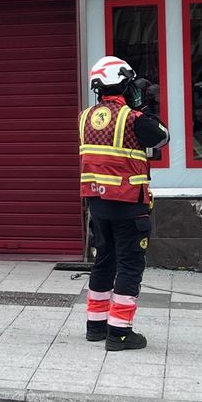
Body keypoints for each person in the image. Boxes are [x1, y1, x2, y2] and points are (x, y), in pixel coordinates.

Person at [80, 57, 170, 352]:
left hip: (98, 204)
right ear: (122, 82)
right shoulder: (133, 118)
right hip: (128, 204)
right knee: (130, 265)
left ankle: (95, 326)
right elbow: (162, 138)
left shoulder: (85, 117)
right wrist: (145, 107)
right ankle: (119, 333)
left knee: (104, 261)